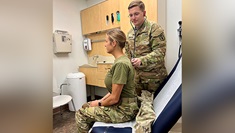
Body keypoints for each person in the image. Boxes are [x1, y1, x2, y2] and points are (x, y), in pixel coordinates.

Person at [75, 29, 139, 133]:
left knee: (81, 113)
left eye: (106, 41)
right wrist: (98, 102)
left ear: (114, 43)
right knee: (86, 105)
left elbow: (114, 98)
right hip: (122, 105)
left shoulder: (121, 64)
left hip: (124, 110)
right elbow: (112, 92)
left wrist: (99, 104)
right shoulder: (120, 60)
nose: (104, 45)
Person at [125, 1, 168, 132]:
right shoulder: (130, 34)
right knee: (143, 114)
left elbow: (160, 52)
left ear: (144, 13)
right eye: (131, 15)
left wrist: (141, 60)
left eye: (136, 14)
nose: (133, 18)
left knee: (159, 116)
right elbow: (128, 54)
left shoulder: (154, 28)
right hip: (138, 81)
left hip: (155, 81)